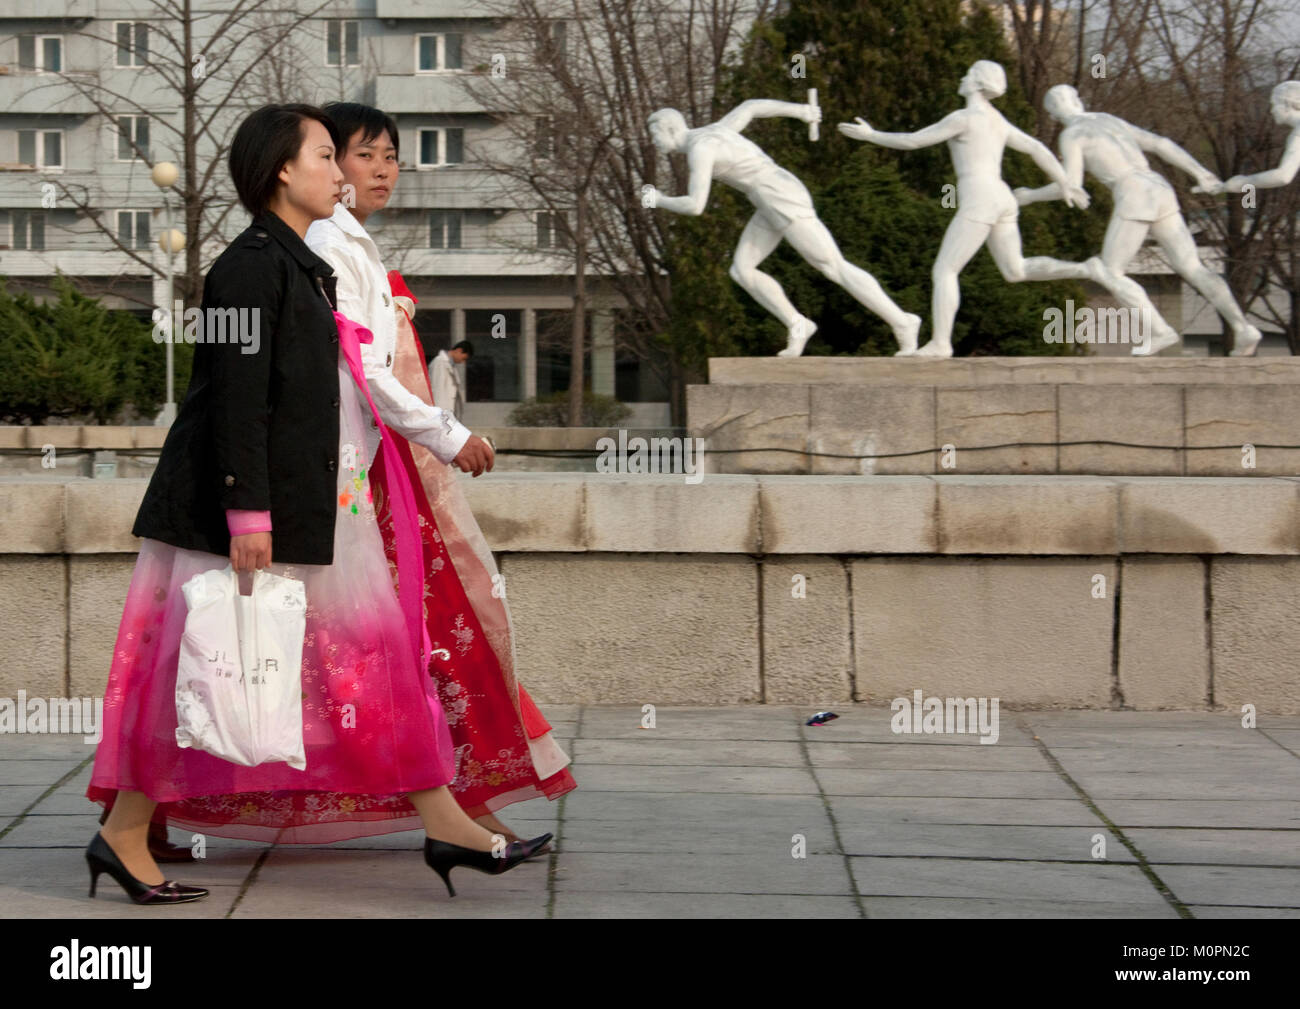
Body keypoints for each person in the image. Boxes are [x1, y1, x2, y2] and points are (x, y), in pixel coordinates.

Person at [85, 103, 549, 906]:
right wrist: (247, 516)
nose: (343, 174)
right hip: (238, 512)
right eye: (329, 156)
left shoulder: (304, 264)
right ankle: (125, 832)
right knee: (190, 674)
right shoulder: (244, 268)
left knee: (372, 668)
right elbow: (234, 397)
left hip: (315, 502)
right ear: (281, 171)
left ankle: (444, 820)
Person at [304, 102, 576, 848]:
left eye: (391, 154)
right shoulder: (331, 244)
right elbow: (361, 372)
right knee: (390, 643)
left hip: (378, 471)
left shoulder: (350, 246)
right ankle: (146, 805)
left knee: (414, 638)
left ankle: (464, 809)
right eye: (363, 154)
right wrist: (449, 434)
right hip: (356, 480)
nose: (383, 168)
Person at [838, 60, 1092, 358]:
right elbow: (1036, 147)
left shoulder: (964, 117)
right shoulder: (997, 120)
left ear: (976, 82)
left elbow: (914, 141)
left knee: (945, 270)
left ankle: (941, 343)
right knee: (1016, 270)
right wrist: (1064, 182)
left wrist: (871, 136)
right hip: (1003, 197)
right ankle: (1085, 268)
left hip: (980, 197)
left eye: (968, 73)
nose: (962, 77)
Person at [644, 102, 922, 357]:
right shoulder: (714, 131)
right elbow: (751, 107)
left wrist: (659, 199)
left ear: (670, 128)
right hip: (766, 199)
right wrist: (801, 110)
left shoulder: (701, 149)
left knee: (833, 266)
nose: (654, 142)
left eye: (655, 134)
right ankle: (798, 324)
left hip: (778, 194)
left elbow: (695, 206)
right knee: (742, 270)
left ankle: (902, 322)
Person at [1016, 84, 1261, 357]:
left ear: (1052, 112)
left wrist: (1029, 196)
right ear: (1078, 101)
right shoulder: (1108, 120)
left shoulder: (1072, 134)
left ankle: (1159, 331)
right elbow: (1161, 144)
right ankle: (1243, 327)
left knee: (1110, 271)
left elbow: (1072, 185)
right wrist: (1200, 172)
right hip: (1158, 185)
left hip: (1133, 192)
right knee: (1192, 267)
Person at [429, 341, 472, 416]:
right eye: (464, 358)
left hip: (447, 414)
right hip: (441, 414)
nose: (463, 362)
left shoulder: (450, 365)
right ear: (459, 350)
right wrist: (439, 416)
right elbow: (437, 390)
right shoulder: (439, 362)